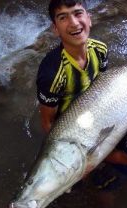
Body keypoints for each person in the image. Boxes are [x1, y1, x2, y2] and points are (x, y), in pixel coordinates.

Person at [36, 0, 108, 133]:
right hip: (68, 126)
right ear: (56, 29)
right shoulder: (51, 74)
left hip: (93, 109)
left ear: (89, 19)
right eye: (63, 17)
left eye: (78, 13)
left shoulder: (100, 50)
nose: (74, 23)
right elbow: (48, 123)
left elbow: (103, 85)